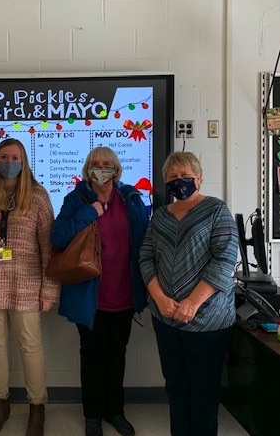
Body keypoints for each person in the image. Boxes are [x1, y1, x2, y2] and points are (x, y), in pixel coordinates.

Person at [0, 138, 60, 436]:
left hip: (28, 284)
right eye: (4, 156)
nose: (9, 161)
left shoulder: (39, 196)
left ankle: (37, 407)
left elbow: (49, 246)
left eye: (15, 156)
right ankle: (0, 403)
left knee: (30, 346)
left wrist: (49, 290)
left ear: (24, 160)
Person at [139, 151, 238, 436]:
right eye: (173, 178)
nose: (179, 182)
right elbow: (146, 258)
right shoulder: (159, 216)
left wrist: (192, 303)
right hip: (167, 318)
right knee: (176, 387)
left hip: (208, 320)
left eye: (186, 177)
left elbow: (225, 259)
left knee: (204, 391)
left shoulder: (217, 210)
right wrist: (159, 297)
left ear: (199, 178)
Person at [51, 147, 149, 436]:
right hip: (90, 298)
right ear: (87, 170)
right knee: (92, 358)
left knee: (117, 356)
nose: (101, 168)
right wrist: (87, 213)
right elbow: (58, 237)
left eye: (107, 164)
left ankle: (115, 411)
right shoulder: (77, 198)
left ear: (116, 169)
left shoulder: (130, 199)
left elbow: (144, 243)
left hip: (124, 295)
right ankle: (92, 415)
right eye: (95, 164)